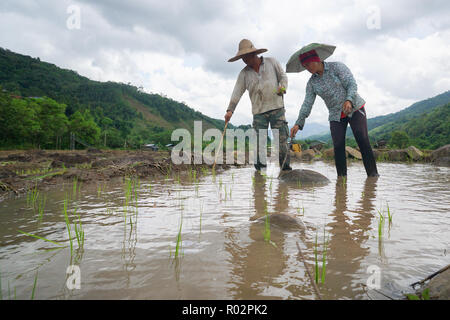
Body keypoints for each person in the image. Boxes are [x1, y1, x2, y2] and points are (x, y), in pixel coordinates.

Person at [290, 49, 379, 177]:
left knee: (362, 139)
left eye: (308, 64)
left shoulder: (337, 67)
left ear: (316, 59)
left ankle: (373, 177)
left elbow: (351, 84)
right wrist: (298, 123)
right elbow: (307, 104)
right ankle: (341, 182)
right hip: (335, 115)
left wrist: (348, 100)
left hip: (354, 107)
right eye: (304, 66)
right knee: (338, 146)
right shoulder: (312, 83)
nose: (307, 68)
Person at [225, 39, 291, 171]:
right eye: (242, 57)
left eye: (246, 56)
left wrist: (282, 87)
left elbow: (283, 77)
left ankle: (285, 171)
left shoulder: (272, 62)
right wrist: (230, 110)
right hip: (258, 113)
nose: (244, 60)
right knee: (259, 144)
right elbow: (237, 92)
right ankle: (260, 176)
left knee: (281, 142)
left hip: (277, 108)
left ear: (254, 54)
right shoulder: (244, 74)